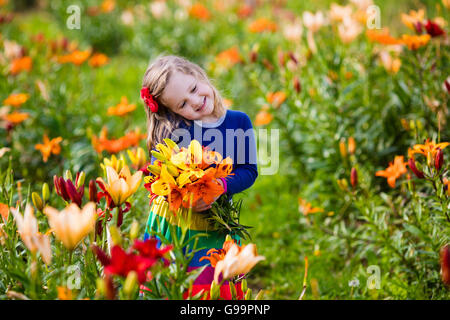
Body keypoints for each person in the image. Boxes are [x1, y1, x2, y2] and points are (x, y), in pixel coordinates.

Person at [140, 55, 258, 299]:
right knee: (175, 284)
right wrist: (186, 197)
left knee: (212, 285)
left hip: (215, 222)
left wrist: (220, 186)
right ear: (172, 111)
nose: (194, 102)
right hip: (176, 225)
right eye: (182, 104)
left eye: (194, 89)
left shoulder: (239, 122)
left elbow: (248, 170)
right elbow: (158, 178)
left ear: (199, 75)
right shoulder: (173, 130)